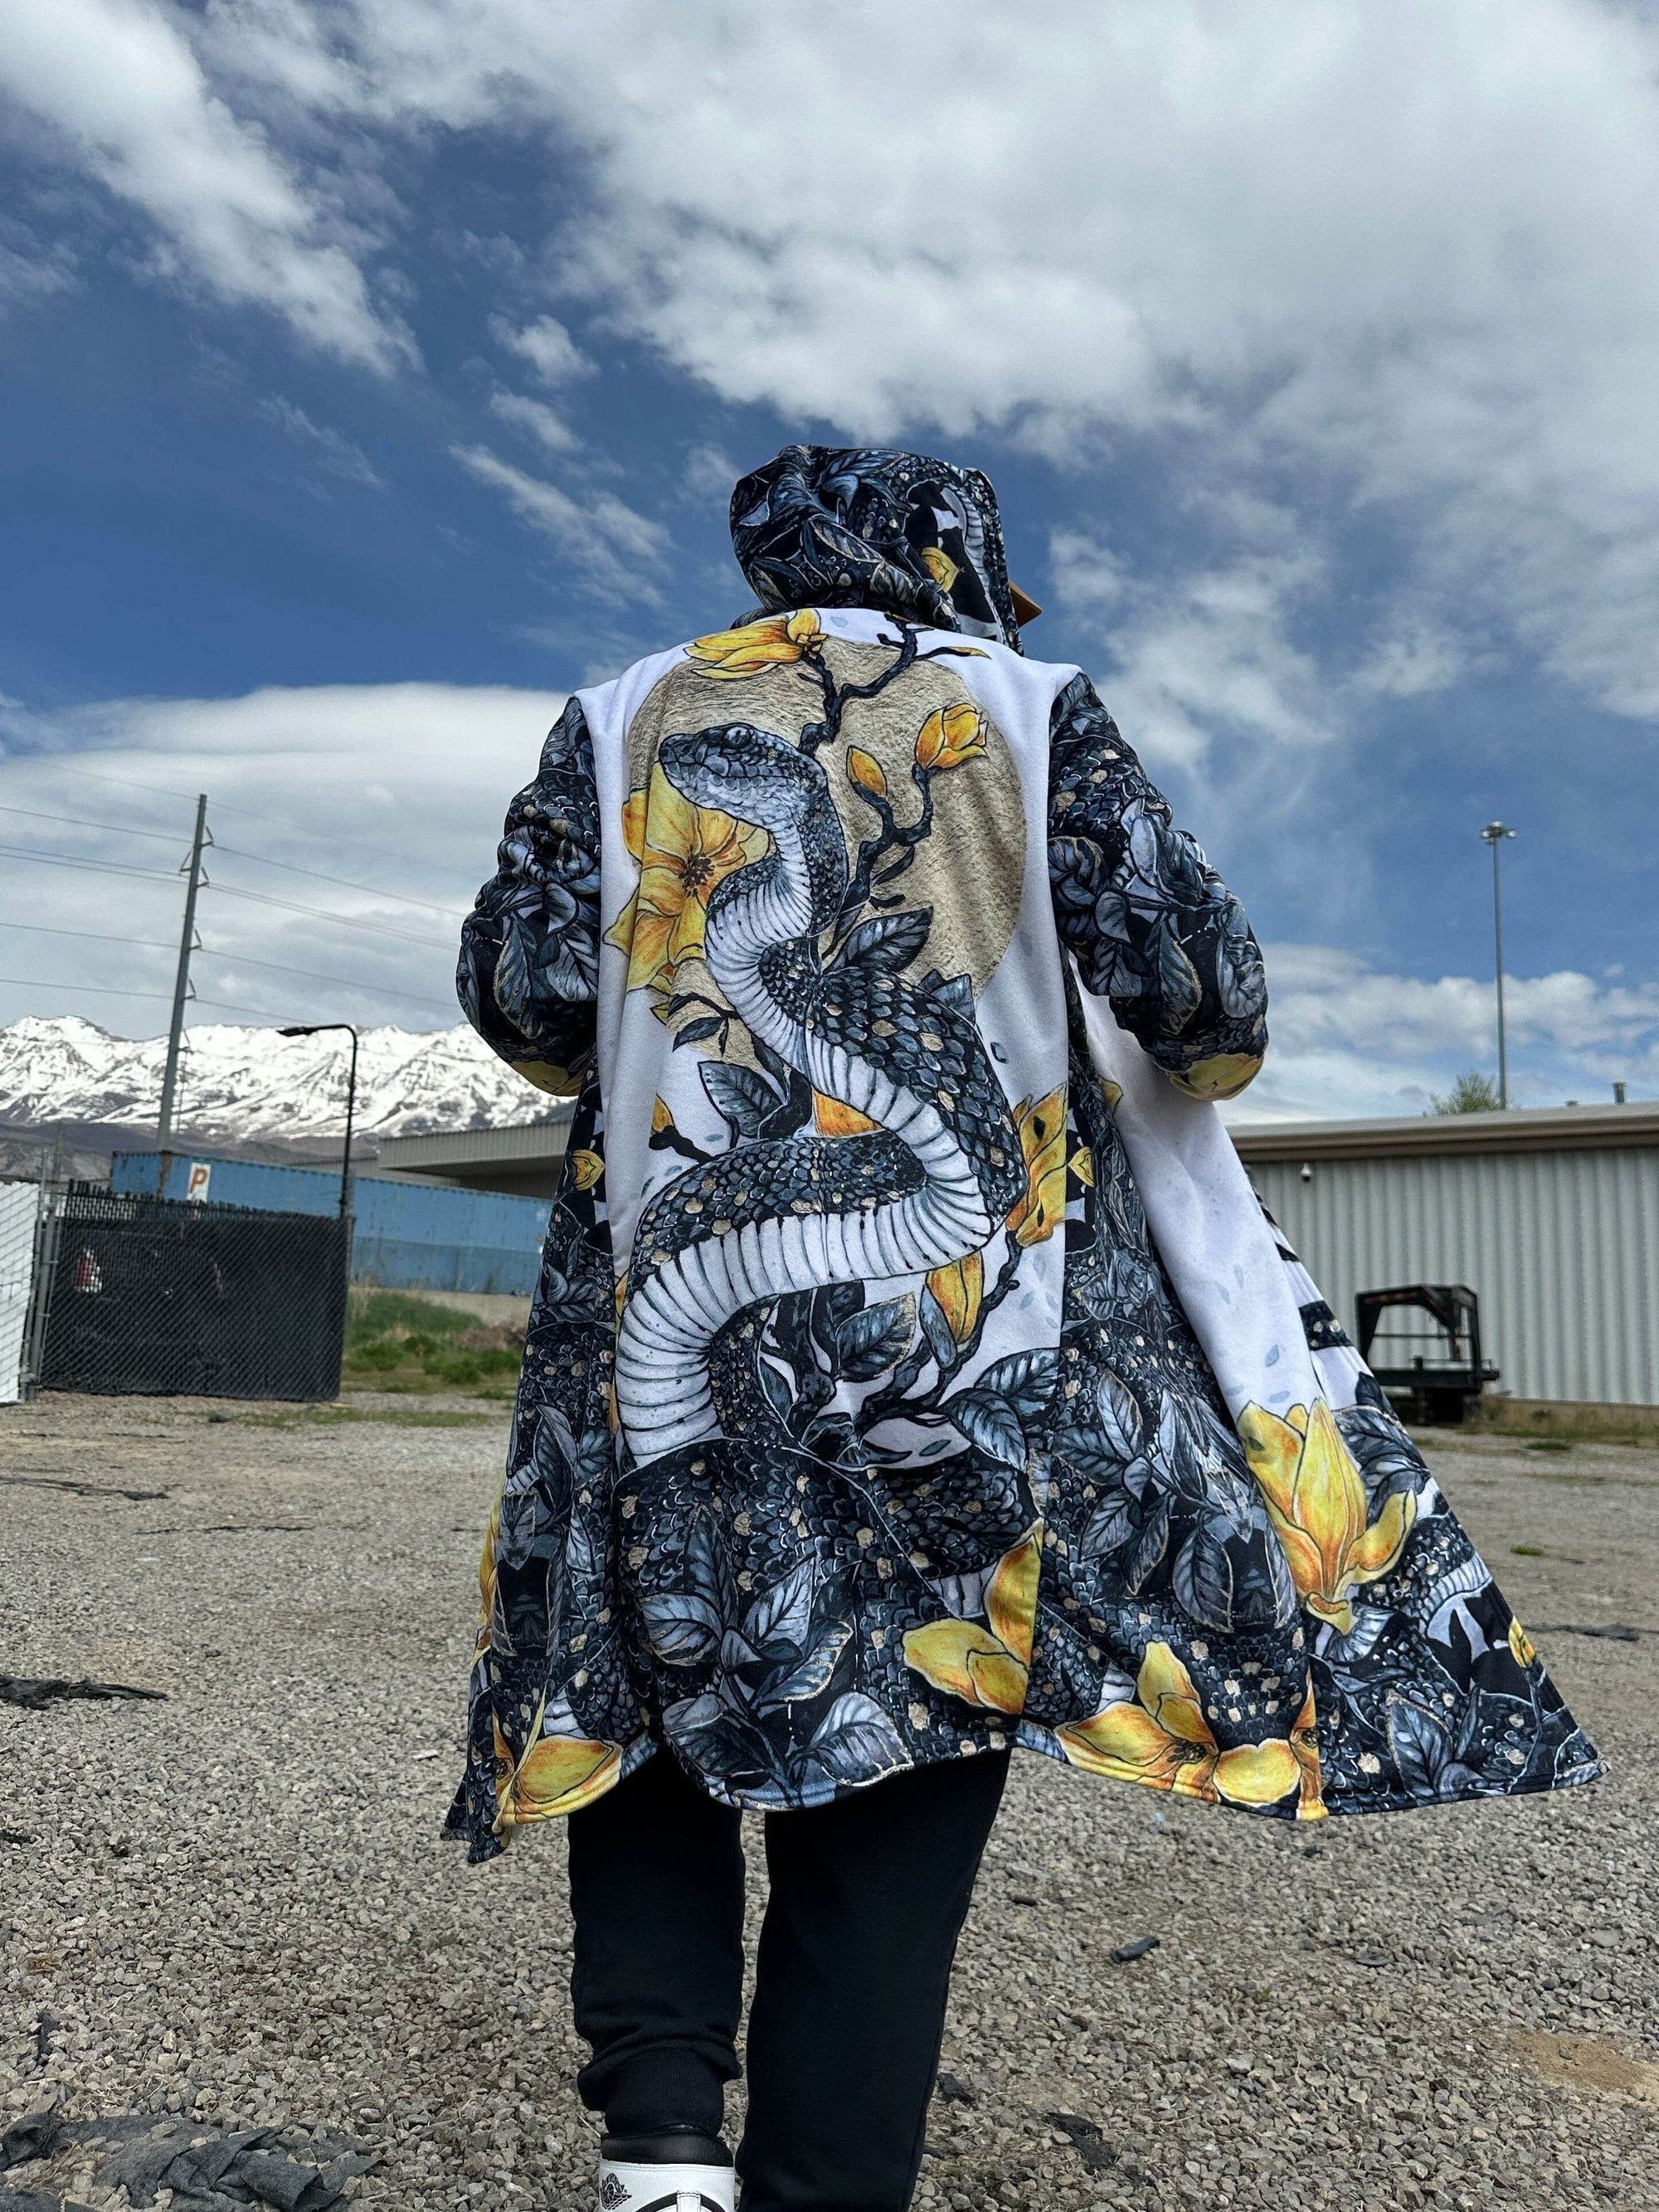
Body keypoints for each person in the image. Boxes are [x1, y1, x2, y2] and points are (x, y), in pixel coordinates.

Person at [446, 445, 1598, 2212]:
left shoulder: (610, 719)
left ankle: (661, 2144)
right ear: (952, 558)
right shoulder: (1036, 708)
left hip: (654, 1307)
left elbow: (527, 1002)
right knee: (908, 1734)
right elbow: (1208, 1008)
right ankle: (825, 2181)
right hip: (976, 1337)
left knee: (648, 1685)